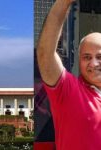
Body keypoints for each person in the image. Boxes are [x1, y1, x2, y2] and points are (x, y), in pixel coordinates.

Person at [37, 0, 101, 150]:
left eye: (99, 57)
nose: (94, 63)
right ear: (79, 61)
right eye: (86, 57)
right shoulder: (68, 91)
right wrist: (63, 2)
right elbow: (45, 54)